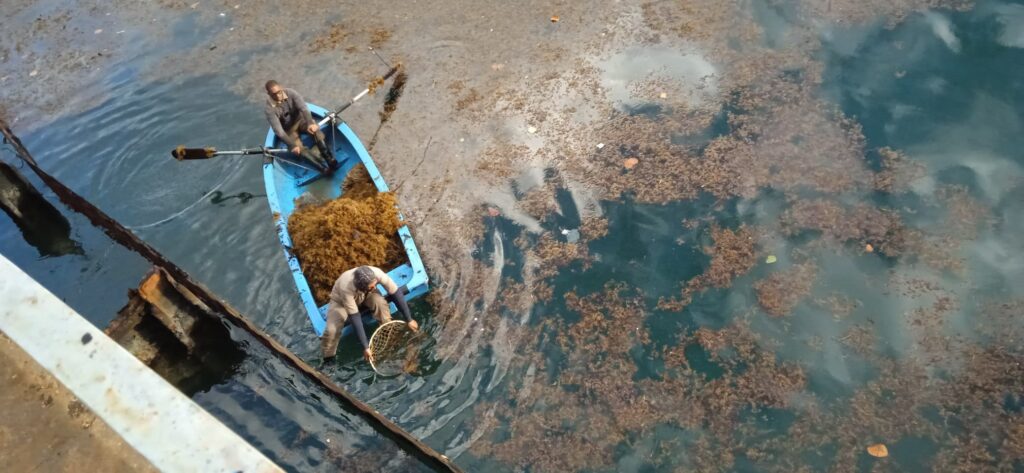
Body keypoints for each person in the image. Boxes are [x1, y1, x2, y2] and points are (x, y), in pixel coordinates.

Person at [321, 265, 420, 363]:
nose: (375, 286)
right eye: (372, 286)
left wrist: (409, 319)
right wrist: (365, 346)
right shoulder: (346, 287)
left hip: (367, 294)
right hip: (341, 302)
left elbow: (395, 293)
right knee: (331, 330)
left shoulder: (376, 273)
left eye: (375, 284)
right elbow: (355, 317)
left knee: (380, 303)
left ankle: (388, 333)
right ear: (362, 286)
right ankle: (328, 360)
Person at [263, 80, 339, 173]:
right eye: (274, 94)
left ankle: (329, 159)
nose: (278, 96)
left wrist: (310, 123)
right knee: (299, 149)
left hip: (300, 121)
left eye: (279, 92)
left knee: (316, 131)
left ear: (281, 88)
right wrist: (292, 145)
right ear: (269, 94)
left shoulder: (291, 93)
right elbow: (279, 131)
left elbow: (304, 108)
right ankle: (322, 168)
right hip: (288, 130)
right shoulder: (269, 109)